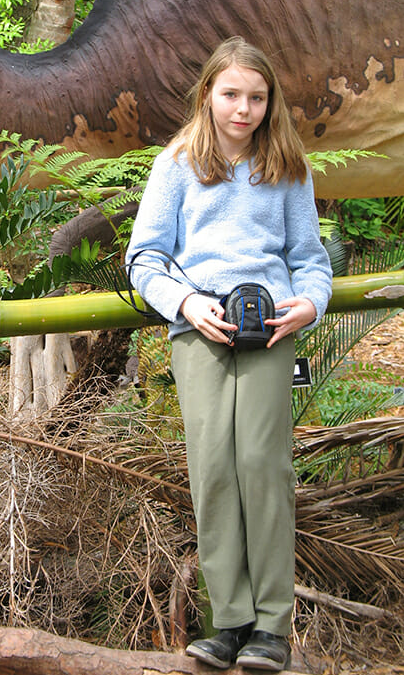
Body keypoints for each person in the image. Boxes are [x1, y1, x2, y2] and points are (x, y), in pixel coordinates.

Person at [126, 37, 333, 671]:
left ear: (270, 102)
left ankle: (273, 626)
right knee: (214, 469)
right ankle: (229, 620)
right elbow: (145, 258)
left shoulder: (287, 168)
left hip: (271, 327)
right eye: (231, 95)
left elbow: (310, 260)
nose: (243, 109)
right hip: (201, 328)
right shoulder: (178, 164)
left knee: (262, 466)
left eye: (257, 97)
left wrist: (310, 303)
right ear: (208, 94)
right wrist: (186, 303)